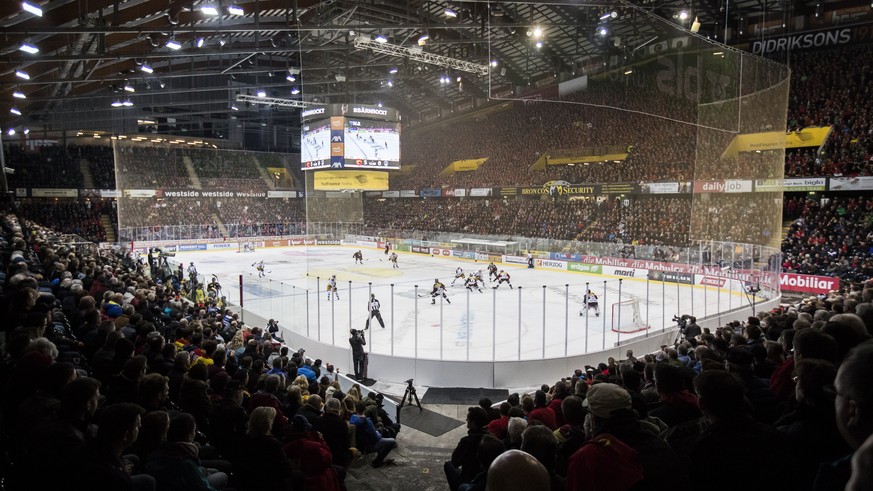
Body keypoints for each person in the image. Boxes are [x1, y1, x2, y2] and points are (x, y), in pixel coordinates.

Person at [350, 400, 397, 468]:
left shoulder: (352, 419)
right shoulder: (367, 422)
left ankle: (379, 456)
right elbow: (376, 438)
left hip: (361, 445)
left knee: (380, 432)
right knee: (392, 441)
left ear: (356, 408)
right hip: (370, 445)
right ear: (365, 409)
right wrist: (378, 433)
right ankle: (377, 461)